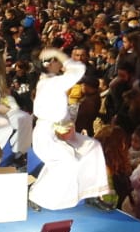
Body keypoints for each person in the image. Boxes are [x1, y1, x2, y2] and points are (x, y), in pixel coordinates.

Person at [29, 48, 109, 210]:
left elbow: (60, 113)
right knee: (66, 162)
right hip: (47, 136)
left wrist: (69, 126)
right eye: (56, 60)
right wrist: (60, 55)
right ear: (50, 63)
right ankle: (35, 196)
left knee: (92, 147)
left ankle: (91, 193)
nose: (60, 63)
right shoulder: (50, 82)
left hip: (60, 131)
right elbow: (79, 69)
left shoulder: (51, 80)